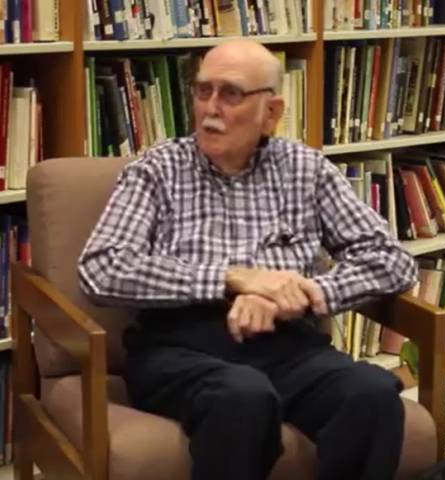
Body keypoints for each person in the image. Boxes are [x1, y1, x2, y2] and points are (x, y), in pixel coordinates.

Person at [78, 39, 426, 480]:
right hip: (182, 346)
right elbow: (102, 267)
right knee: (243, 396)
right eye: (203, 91)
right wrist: (232, 279)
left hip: (288, 344)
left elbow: (392, 260)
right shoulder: (157, 170)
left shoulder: (306, 169)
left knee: (372, 392)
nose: (210, 108)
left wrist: (306, 291)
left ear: (272, 113)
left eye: (231, 94)